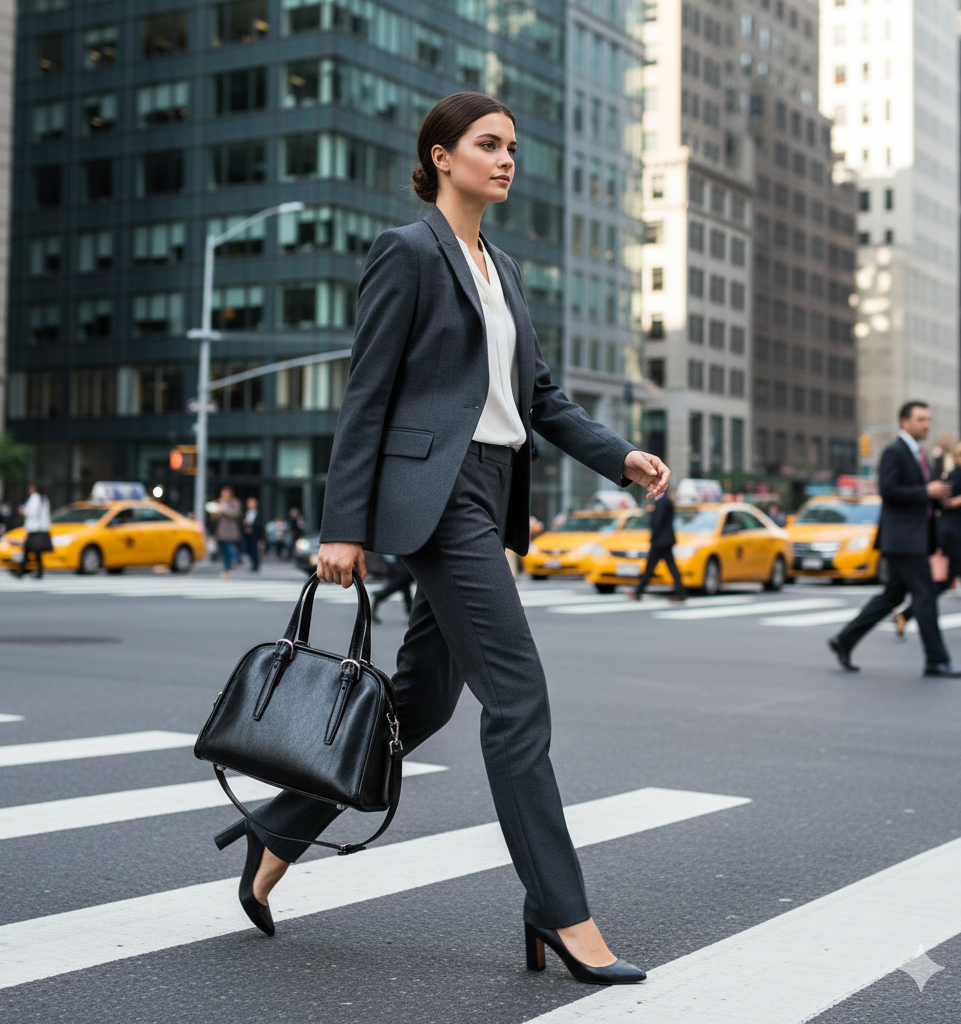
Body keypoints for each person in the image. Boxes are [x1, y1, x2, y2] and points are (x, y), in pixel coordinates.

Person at [211, 93, 671, 984]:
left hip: (491, 494)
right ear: (441, 156)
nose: (506, 159)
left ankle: (279, 829)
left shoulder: (501, 265)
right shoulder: (408, 252)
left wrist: (620, 458)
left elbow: (538, 402)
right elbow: (368, 394)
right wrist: (344, 528)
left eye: (511, 146)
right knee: (518, 698)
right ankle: (562, 909)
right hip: (439, 496)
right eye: (488, 144)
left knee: (417, 703)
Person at [828, 402, 961, 678]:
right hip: (903, 539)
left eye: (928, 419)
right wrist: (926, 491)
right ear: (905, 422)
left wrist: (937, 498)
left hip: (913, 538)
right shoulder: (895, 451)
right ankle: (936, 660)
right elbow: (888, 491)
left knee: (893, 595)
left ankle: (844, 640)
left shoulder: (919, 453)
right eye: (920, 420)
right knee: (925, 595)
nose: (926, 424)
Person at [894, 439, 961, 636]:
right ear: (956, 457)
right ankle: (905, 614)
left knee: (945, 582)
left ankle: (905, 614)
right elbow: (945, 502)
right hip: (950, 535)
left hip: (960, 534)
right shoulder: (954, 476)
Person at [631, 488, 686, 603]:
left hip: (660, 541)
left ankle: (638, 591)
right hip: (665, 540)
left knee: (651, 567)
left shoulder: (662, 502)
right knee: (669, 567)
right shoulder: (666, 500)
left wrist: (653, 537)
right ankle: (680, 592)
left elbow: (658, 521)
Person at [16, 483, 51, 579]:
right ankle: (35, 571)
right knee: (36, 552)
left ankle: (24, 570)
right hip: (41, 528)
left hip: (34, 529)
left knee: (28, 550)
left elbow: (32, 512)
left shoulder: (35, 498)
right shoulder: (44, 498)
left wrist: (23, 510)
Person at [369, 555, 414, 623]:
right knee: (404, 579)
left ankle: (411, 613)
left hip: (401, 556)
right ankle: (378, 596)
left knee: (405, 584)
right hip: (399, 555)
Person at [215, 487, 243, 578]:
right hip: (221, 530)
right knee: (224, 550)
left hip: (230, 531)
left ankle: (229, 568)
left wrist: (223, 510)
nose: (224, 496)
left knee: (228, 549)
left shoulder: (234, 503)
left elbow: (235, 514)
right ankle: (228, 567)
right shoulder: (219, 502)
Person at [243, 496, 263, 572]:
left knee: (255, 549)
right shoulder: (246, 513)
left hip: (255, 534)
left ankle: (255, 564)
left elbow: (260, 524)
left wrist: (252, 527)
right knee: (248, 549)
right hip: (247, 534)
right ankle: (252, 562)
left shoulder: (258, 513)